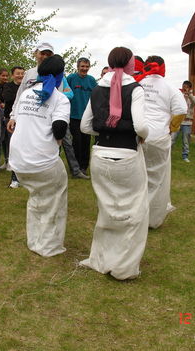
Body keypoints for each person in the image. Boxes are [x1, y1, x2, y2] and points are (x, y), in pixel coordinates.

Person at [79, 47, 149, 280]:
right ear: (130, 64)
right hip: (127, 155)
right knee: (134, 212)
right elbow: (140, 125)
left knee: (107, 211)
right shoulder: (135, 88)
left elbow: (85, 126)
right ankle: (123, 267)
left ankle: (101, 259)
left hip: (100, 154)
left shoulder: (98, 87)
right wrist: (143, 136)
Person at [7, 55, 70, 257]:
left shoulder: (26, 93)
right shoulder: (60, 99)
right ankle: (48, 246)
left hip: (18, 160)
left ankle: (34, 240)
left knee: (36, 197)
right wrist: (56, 142)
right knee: (55, 197)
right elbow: (59, 130)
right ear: (60, 76)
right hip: (42, 161)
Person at [10, 42, 88, 180]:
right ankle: (16, 177)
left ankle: (74, 170)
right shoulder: (29, 74)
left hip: (55, 115)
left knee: (65, 142)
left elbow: (67, 92)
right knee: (26, 140)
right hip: (33, 117)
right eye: (42, 53)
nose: (45, 56)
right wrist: (13, 116)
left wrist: (57, 99)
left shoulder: (60, 77)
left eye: (48, 54)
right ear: (36, 54)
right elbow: (20, 97)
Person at [137, 55, 187, 229]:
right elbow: (181, 109)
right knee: (157, 179)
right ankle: (152, 219)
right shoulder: (169, 87)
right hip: (158, 136)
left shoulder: (138, 83)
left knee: (138, 176)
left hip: (138, 135)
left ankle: (136, 215)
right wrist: (172, 127)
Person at [67, 57, 97, 174]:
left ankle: (84, 166)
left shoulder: (92, 80)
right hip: (74, 115)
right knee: (76, 142)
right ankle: (76, 166)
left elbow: (96, 97)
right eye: (82, 66)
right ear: (78, 67)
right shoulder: (71, 78)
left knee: (86, 142)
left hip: (87, 116)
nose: (84, 69)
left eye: (86, 66)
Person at [2, 66, 25, 187]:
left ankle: (24, 176)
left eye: (22, 73)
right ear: (12, 75)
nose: (20, 75)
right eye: (18, 74)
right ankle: (14, 178)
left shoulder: (27, 86)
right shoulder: (8, 86)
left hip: (25, 120)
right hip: (11, 120)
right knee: (14, 148)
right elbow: (8, 98)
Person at [171, 80, 195, 162]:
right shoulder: (179, 96)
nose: (184, 89)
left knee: (186, 141)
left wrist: (189, 95)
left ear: (190, 88)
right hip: (178, 121)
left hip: (187, 122)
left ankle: (185, 156)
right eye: (183, 87)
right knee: (172, 139)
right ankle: (168, 154)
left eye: (186, 87)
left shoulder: (192, 97)